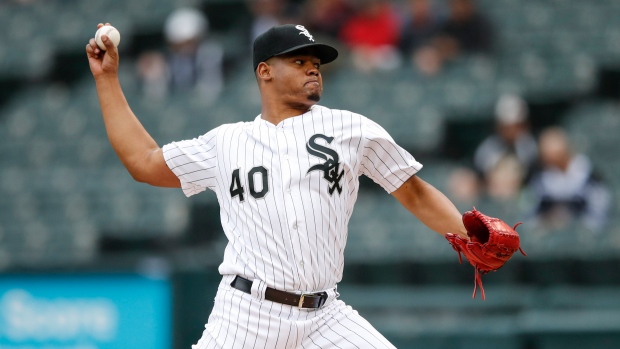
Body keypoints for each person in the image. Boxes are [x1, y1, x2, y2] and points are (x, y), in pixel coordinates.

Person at [86, 23, 468, 349]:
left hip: (325, 318)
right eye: (299, 61)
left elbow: (413, 191)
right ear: (265, 71)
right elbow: (144, 163)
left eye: (316, 64)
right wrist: (107, 80)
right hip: (246, 316)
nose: (313, 70)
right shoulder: (225, 143)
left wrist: (470, 234)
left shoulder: (352, 129)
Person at [528, 127, 611, 232]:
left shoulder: (590, 176)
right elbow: (532, 214)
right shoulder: (541, 180)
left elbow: (600, 212)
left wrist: (577, 227)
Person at [136, 7, 224, 103]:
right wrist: (155, 77)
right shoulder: (163, 60)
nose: (185, 48)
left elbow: (210, 91)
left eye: (190, 42)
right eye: (179, 44)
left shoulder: (211, 54)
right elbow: (155, 99)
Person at [473, 94, 538, 187]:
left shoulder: (531, 147)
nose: (511, 130)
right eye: (506, 126)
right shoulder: (486, 151)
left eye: (516, 125)